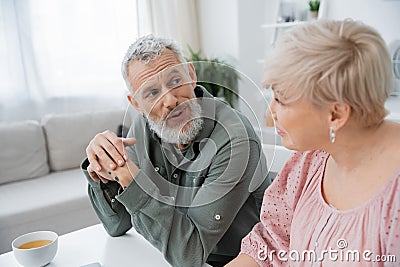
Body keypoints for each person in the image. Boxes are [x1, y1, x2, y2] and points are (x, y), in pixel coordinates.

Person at [81, 35, 272, 267]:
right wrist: (106, 171)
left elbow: (190, 254)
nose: (170, 100)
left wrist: (131, 181)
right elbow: (117, 225)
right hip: (167, 254)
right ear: (137, 105)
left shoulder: (234, 139)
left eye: (174, 81)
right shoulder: (142, 128)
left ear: (191, 75)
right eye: (152, 93)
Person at [227, 19, 400, 266]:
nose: (270, 112)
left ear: (336, 114)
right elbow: (270, 245)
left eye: (282, 100)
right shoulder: (310, 160)